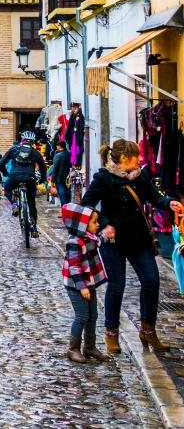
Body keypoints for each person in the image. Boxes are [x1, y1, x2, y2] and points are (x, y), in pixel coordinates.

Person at [80, 138, 184, 355]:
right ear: (125, 158)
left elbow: (155, 198)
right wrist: (105, 224)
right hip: (113, 242)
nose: (140, 159)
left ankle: (148, 330)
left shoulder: (141, 176)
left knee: (152, 280)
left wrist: (169, 203)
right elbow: (86, 205)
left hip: (139, 239)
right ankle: (111, 333)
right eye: (136, 156)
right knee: (117, 285)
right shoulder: (103, 179)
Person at [61, 202, 109, 363]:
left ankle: (89, 347)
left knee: (92, 316)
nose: (97, 225)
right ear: (82, 225)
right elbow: (74, 268)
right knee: (81, 316)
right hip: (77, 286)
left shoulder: (88, 237)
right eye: (94, 222)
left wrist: (106, 235)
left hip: (89, 284)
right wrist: (82, 287)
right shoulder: (75, 243)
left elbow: (97, 242)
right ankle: (73, 348)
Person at [1, 131, 46, 238]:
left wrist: (5, 173)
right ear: (33, 142)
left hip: (14, 177)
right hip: (30, 178)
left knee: (6, 189)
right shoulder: (35, 153)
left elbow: (1, 163)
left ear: (22, 140)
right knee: (32, 204)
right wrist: (42, 180)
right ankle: (34, 228)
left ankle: (14, 204)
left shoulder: (14, 149)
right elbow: (43, 168)